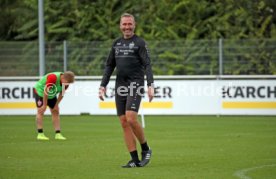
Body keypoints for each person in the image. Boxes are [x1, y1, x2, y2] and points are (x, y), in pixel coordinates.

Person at [99, 13, 154, 168]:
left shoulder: (140, 43)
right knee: (123, 122)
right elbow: (109, 66)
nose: (127, 27)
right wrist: (103, 85)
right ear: (120, 25)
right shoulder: (116, 44)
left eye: (130, 24)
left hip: (135, 83)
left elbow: (147, 65)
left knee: (130, 118)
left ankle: (146, 148)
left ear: (134, 25)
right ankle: (134, 159)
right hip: (120, 85)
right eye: (124, 24)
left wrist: (150, 84)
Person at [34, 71, 75, 140]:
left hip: (51, 94)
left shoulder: (66, 83)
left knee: (56, 111)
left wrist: (56, 104)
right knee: (41, 110)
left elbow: (61, 94)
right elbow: (46, 92)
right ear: (63, 78)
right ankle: (40, 134)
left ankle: (58, 134)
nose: (67, 84)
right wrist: (44, 105)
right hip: (40, 92)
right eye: (67, 82)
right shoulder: (53, 78)